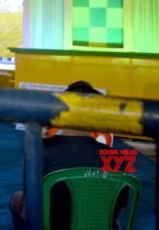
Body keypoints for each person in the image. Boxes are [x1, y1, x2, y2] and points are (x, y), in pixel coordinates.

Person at [9, 80, 128, 229]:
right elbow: (118, 209)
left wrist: (39, 144)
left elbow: (31, 197)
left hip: (52, 225)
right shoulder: (117, 156)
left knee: (17, 198)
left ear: (60, 114)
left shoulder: (40, 151)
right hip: (97, 225)